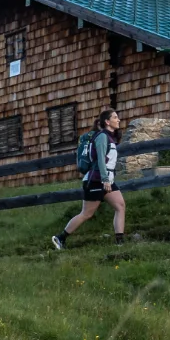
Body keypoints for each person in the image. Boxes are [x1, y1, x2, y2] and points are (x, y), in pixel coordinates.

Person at [51, 107, 125, 249]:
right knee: (86, 214)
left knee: (120, 206)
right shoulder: (102, 137)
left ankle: (120, 243)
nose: (118, 120)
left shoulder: (109, 137)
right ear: (107, 122)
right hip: (97, 180)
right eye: (115, 117)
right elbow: (101, 160)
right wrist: (105, 179)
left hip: (106, 180)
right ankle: (60, 238)